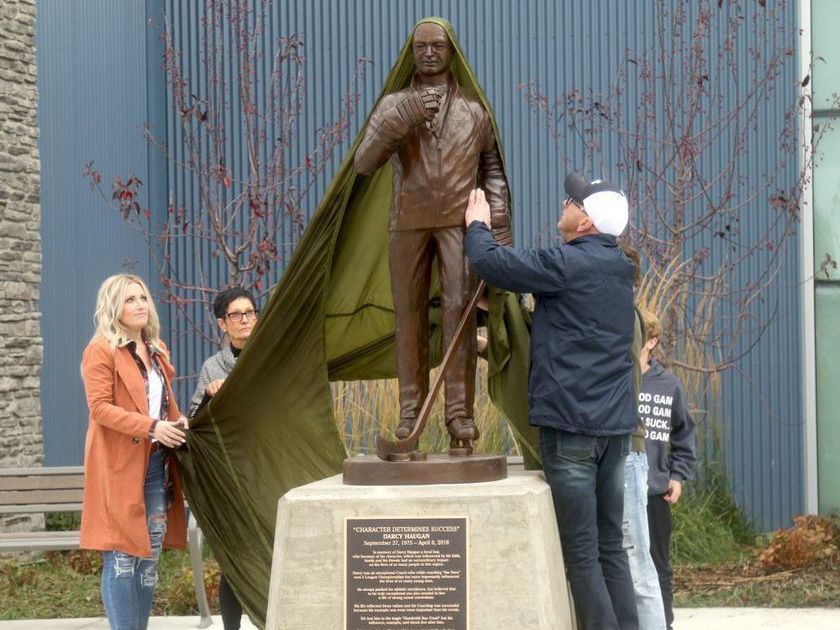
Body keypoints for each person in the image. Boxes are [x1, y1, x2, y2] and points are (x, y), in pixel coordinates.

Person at [464, 175, 639, 630]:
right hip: (614, 432)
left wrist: (477, 225)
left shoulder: (567, 265)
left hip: (573, 431)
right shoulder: (621, 269)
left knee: (581, 554)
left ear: (585, 220)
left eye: (572, 199)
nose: (564, 201)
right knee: (610, 548)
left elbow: (492, 262)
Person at [354, 18, 512, 449]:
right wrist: (402, 118)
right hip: (407, 222)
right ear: (411, 53)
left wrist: (499, 234)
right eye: (420, 46)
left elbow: (493, 173)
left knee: (460, 318)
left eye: (436, 46)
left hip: (460, 225)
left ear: (451, 52)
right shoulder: (393, 105)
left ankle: (459, 417)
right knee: (409, 318)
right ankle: (410, 415)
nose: (428, 53)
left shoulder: (474, 112)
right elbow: (364, 163)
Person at [80, 274, 188, 630]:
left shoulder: (156, 349)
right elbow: (100, 408)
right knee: (123, 557)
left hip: (156, 463)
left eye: (142, 297)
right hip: (119, 466)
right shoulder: (101, 349)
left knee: (148, 558)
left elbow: (158, 404)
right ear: (114, 306)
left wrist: (176, 421)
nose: (140, 304)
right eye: (130, 300)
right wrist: (152, 427)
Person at [188, 287, 258, 630]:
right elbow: (194, 424)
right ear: (222, 324)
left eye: (249, 312)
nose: (244, 319)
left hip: (267, 469)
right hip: (232, 476)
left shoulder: (269, 357)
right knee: (234, 559)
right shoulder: (212, 368)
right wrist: (209, 399)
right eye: (236, 314)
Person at [638, 309, 697, 630]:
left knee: (658, 562)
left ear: (652, 341)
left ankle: (665, 622)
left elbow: (683, 432)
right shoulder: (617, 378)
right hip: (617, 489)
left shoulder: (668, 385)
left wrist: (677, 476)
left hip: (654, 491)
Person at [619, 242, 667, 630]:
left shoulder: (625, 317)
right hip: (616, 453)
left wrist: (676, 474)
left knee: (638, 559)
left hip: (630, 456)